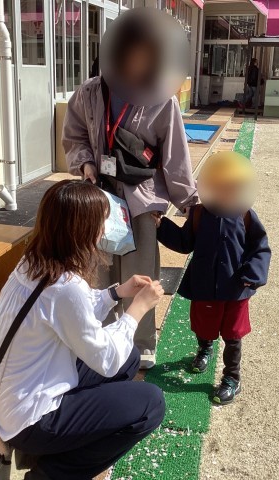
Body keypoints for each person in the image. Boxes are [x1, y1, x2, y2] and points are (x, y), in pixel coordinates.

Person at [0, 180, 166, 480]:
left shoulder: (31, 263)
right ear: (81, 230)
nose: (105, 230)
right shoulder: (66, 287)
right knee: (151, 403)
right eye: (101, 222)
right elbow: (106, 360)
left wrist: (116, 293)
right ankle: (51, 473)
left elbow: (69, 313)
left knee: (130, 358)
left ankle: (73, 438)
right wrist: (138, 308)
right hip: (31, 420)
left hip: (12, 397)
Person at [62, 13, 197, 369]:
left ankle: (141, 342)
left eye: (145, 55)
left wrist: (188, 202)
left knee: (140, 272)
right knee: (98, 269)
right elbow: (74, 137)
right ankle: (98, 336)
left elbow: (175, 155)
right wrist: (85, 164)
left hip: (142, 201)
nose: (137, 62)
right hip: (99, 196)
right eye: (132, 53)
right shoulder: (89, 92)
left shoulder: (163, 98)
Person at [153, 151, 271, 405]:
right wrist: (162, 226)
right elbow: (184, 243)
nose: (225, 192)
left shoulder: (246, 215)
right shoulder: (199, 213)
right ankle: (204, 349)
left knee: (233, 335)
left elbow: (260, 247)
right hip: (204, 284)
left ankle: (232, 377)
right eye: (219, 187)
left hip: (235, 288)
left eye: (231, 187)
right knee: (203, 325)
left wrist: (253, 273)